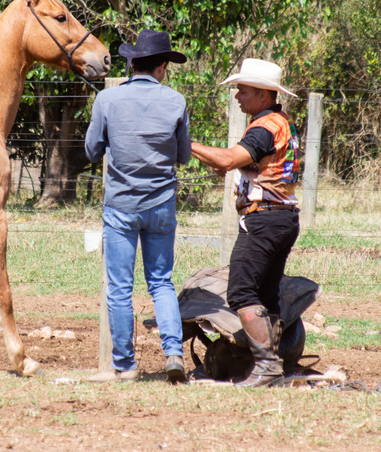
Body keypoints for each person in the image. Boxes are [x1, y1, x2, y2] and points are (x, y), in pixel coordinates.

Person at [84, 29, 191, 383]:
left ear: (131, 64)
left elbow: (91, 150)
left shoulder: (107, 101)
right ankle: (174, 354)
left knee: (119, 288)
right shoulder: (176, 101)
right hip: (161, 205)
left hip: (121, 206)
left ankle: (125, 366)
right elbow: (184, 156)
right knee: (161, 282)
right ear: (162, 66)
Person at [190, 58, 300, 387]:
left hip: (264, 219)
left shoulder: (264, 127)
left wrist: (185, 143)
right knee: (266, 294)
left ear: (264, 95)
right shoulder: (281, 122)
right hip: (283, 218)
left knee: (240, 292)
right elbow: (237, 164)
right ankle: (271, 365)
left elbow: (227, 159)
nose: (237, 96)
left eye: (243, 90)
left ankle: (266, 367)